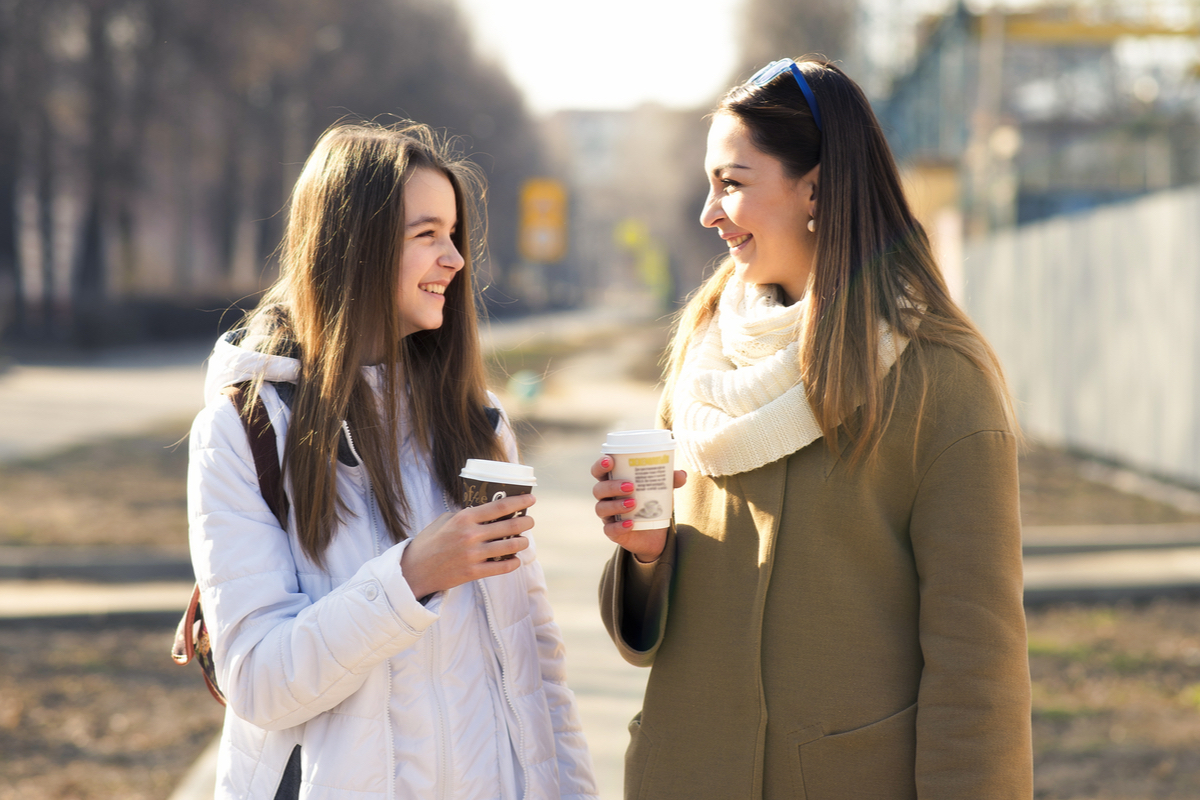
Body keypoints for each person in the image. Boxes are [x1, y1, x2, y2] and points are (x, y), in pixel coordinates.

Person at [591, 58, 1033, 799]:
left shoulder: (941, 384)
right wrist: (646, 559)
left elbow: (977, 674)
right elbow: (656, 636)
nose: (709, 212)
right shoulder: (704, 355)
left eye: (732, 183)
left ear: (817, 190)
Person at [188, 121, 597, 800]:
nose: (456, 259)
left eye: (454, 235)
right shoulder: (247, 431)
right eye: (426, 234)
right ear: (356, 247)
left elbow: (535, 667)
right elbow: (258, 681)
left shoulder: (480, 427)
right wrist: (411, 576)